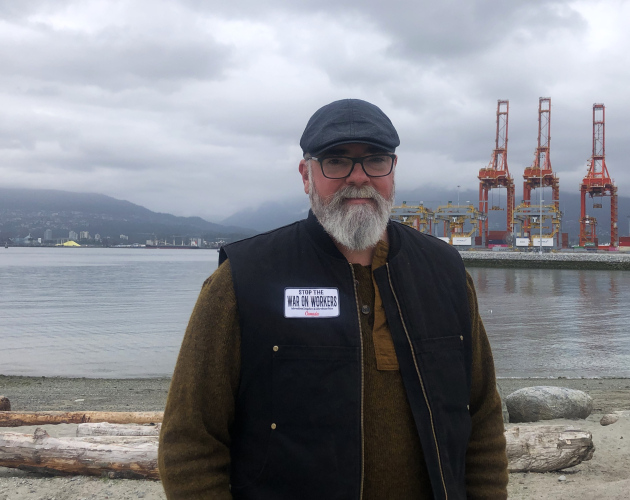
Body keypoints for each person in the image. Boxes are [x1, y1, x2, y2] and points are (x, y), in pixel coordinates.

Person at [159, 98, 508, 499]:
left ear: (393, 171)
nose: (358, 177)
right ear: (306, 175)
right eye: (336, 161)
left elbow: (482, 419)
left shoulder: (445, 273)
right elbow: (190, 441)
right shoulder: (244, 279)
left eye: (375, 160)